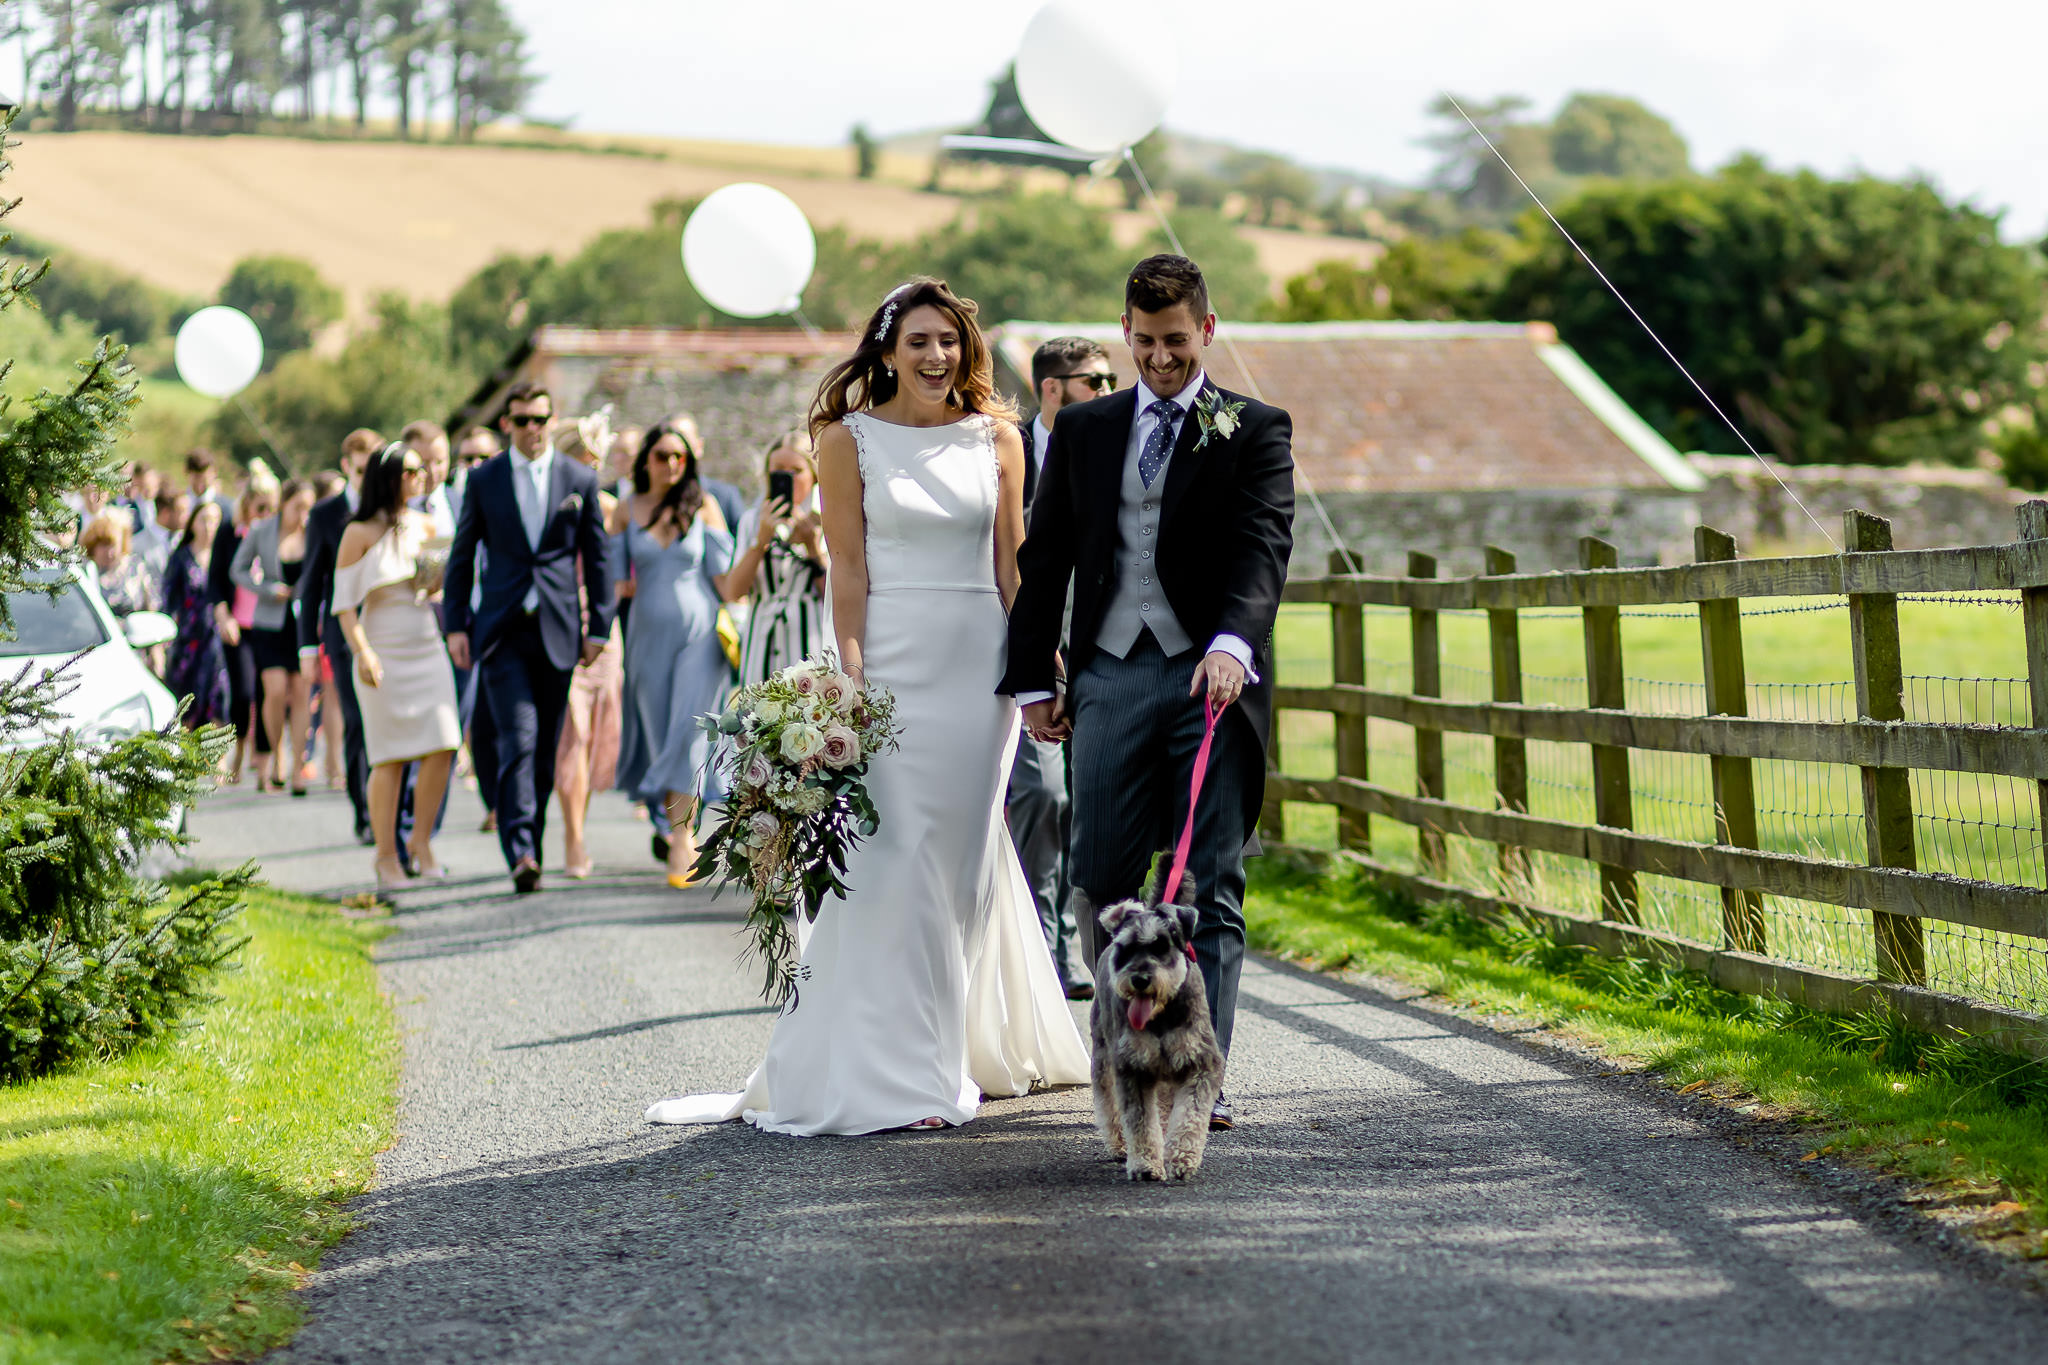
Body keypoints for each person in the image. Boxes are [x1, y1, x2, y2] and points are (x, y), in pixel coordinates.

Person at [647, 277, 1089, 1135]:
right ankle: (908, 1072)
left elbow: (1013, 570)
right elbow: (848, 568)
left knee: (958, 864)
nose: (936, 357)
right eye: (918, 341)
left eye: (949, 341)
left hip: (978, 674)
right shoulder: (843, 440)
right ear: (887, 350)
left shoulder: (999, 437)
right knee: (894, 862)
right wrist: (849, 678)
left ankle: (957, 1045)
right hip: (888, 670)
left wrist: (1044, 664)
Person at [1003, 254, 1296, 1134]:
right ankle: (1122, 1053)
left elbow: (1262, 545)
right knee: (1097, 877)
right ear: (1124, 334)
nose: (1160, 357)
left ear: (1206, 330)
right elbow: (1043, 555)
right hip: (1108, 674)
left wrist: (1234, 643)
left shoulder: (1254, 427)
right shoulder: (1087, 430)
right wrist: (1029, 678)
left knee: (1210, 883)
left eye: (1175, 340)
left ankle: (1204, 1080)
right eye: (1143, 341)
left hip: (1212, 678)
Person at [443, 380, 613, 895]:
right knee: (517, 738)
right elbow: (462, 553)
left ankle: (530, 841)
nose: (532, 430)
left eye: (540, 420)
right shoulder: (484, 479)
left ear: (552, 420)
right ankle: (520, 850)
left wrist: (599, 626)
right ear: (507, 424)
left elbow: (599, 556)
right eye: (522, 421)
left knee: (544, 751)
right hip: (501, 629)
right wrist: (455, 624)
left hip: (559, 629)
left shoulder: (578, 478)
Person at [1008, 335, 1118, 1002]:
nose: (1109, 390)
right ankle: (1042, 946)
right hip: (1030, 658)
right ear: (1053, 389)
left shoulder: (1115, 449)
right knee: (1046, 796)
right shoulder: (1008, 455)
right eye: (1094, 380)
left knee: (1092, 801)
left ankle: (1080, 943)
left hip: (1104, 652)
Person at [332, 444, 462, 889]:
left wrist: (442, 577)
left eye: (421, 469)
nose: (419, 476)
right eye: (409, 470)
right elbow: (344, 605)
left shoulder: (428, 525)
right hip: (381, 649)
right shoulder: (359, 533)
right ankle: (385, 855)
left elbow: (434, 589)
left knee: (444, 743)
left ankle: (420, 842)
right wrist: (362, 652)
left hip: (426, 644)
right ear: (388, 477)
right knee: (388, 758)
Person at [610, 422, 734, 887]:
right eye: (662, 456)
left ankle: (682, 843)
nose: (671, 464)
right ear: (646, 460)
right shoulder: (625, 510)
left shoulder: (704, 506)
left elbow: (727, 582)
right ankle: (674, 828)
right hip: (644, 636)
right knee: (663, 734)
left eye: (680, 457)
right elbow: (612, 578)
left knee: (689, 731)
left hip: (700, 635)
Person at [552, 414, 627, 879]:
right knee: (571, 733)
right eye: (585, 455)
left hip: (604, 627)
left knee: (599, 732)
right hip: (562, 621)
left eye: (596, 456)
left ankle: (579, 820)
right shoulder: (553, 506)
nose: (592, 463)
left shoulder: (611, 507)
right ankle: (572, 837)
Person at [299, 429, 382, 842]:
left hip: (389, 630)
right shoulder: (325, 514)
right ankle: (365, 812)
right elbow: (311, 583)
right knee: (357, 721)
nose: (368, 476)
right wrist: (307, 646)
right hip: (343, 634)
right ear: (347, 465)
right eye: (362, 468)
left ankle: (390, 811)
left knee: (387, 721)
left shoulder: (389, 508)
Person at [716, 430, 830, 685]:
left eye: (796, 470)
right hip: (760, 645)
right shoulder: (751, 520)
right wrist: (760, 543)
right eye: (779, 469)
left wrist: (813, 548)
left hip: (809, 644)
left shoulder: (827, 520)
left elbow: (836, 596)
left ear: (813, 476)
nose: (787, 478)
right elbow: (733, 591)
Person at [233, 477, 318, 795]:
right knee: (276, 690)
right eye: (299, 507)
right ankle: (276, 755)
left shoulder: (314, 533)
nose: (303, 514)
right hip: (270, 621)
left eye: (309, 508)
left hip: (303, 623)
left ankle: (298, 766)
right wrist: (267, 589)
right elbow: (237, 569)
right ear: (285, 503)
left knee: (301, 693)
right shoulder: (262, 530)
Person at [211, 470, 279, 785]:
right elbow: (216, 581)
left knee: (268, 694)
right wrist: (223, 617)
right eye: (259, 507)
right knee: (244, 692)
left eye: (270, 508)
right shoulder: (229, 532)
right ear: (247, 504)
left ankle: (263, 767)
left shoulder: (276, 534)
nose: (264, 514)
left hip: (270, 623)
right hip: (238, 623)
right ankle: (238, 749)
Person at [162, 498, 231, 731]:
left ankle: (214, 762)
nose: (209, 526)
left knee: (216, 701)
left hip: (216, 641)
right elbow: (168, 599)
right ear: (193, 523)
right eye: (204, 520)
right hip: (187, 641)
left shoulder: (224, 557)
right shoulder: (181, 557)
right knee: (186, 706)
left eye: (215, 521)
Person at [82, 512, 156, 618]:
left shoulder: (135, 568)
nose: (109, 553)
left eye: (113, 545)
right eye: (104, 545)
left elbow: (150, 608)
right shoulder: (85, 571)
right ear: (93, 546)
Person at [404, 420, 457, 537]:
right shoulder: (393, 507)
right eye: (424, 463)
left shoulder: (460, 500)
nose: (432, 471)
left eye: (439, 462)